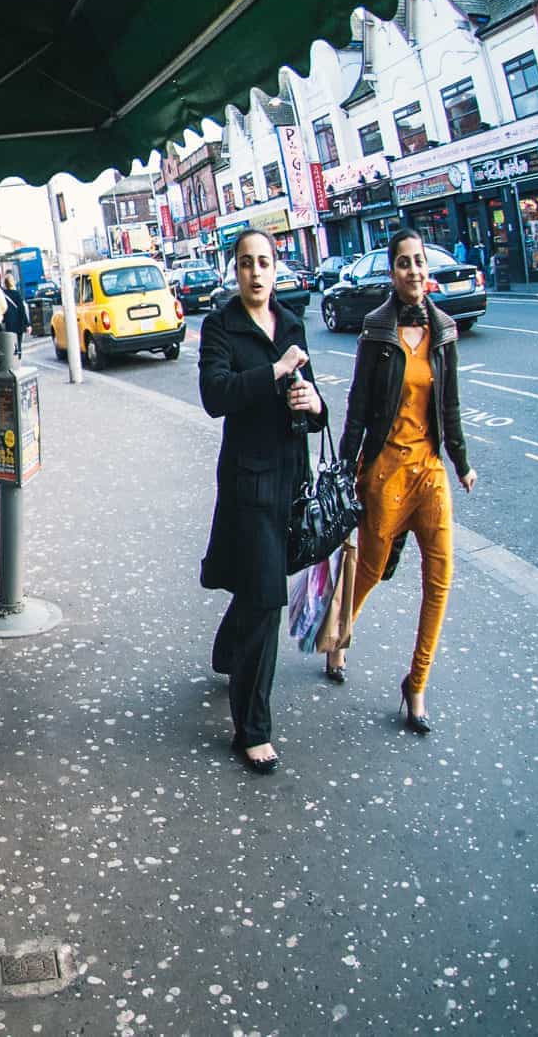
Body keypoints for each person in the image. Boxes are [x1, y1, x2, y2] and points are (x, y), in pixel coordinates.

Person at [327, 228, 476, 733]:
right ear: (392, 273)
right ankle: (338, 636)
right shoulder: (377, 330)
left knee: (440, 580)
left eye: (420, 262)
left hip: (430, 474)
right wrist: (348, 466)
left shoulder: (444, 331)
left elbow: (449, 404)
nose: (414, 271)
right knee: (368, 570)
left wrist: (461, 460)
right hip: (386, 472)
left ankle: (416, 684)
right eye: (405, 263)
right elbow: (358, 405)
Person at [198, 228, 325, 775]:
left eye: (265, 262)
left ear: (276, 269)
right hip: (250, 482)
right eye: (246, 263)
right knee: (268, 597)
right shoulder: (220, 327)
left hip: (291, 477)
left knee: (257, 585)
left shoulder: (292, 323)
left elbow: (313, 403)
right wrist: (273, 372)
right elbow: (214, 396)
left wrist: (313, 401)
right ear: (235, 270)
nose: (256, 272)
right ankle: (251, 730)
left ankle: (228, 653)